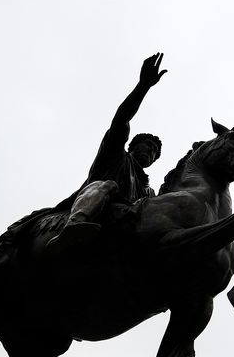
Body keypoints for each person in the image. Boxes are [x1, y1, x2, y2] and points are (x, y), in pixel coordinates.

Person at [46, 53, 167, 252]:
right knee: (108, 185)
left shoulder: (148, 191)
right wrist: (143, 86)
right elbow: (121, 119)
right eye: (147, 145)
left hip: (123, 232)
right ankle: (74, 226)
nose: (151, 152)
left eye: (155, 152)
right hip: (95, 212)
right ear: (132, 146)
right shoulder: (116, 153)